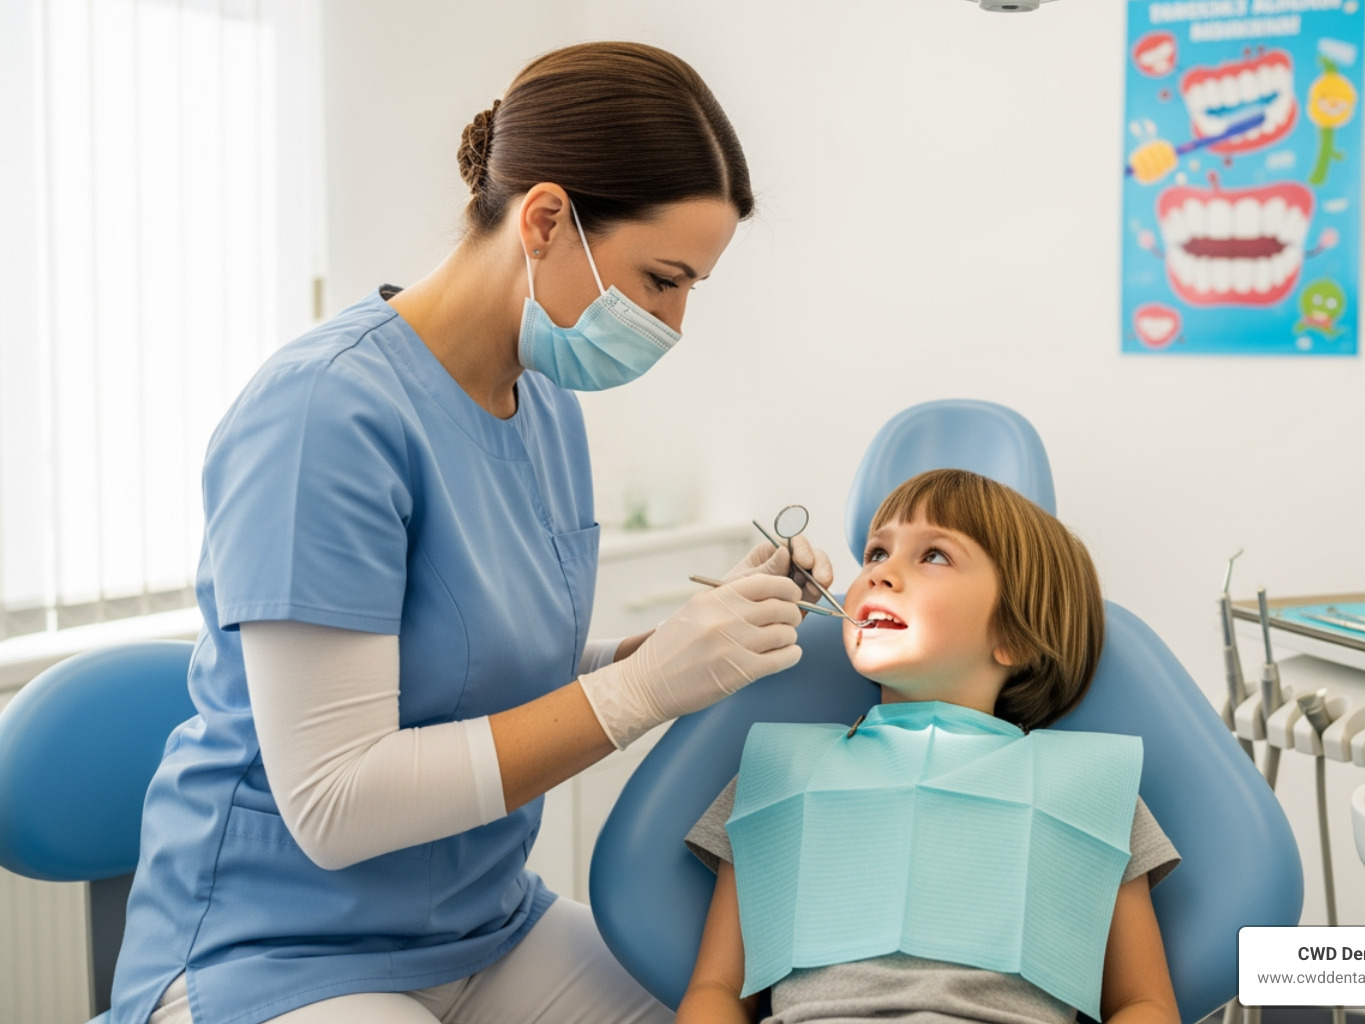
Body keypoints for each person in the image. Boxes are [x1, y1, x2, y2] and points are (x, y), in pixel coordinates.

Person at [110, 41, 834, 1024]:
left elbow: (479, 662)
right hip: (278, 945)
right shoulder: (324, 413)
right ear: (545, 219)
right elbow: (334, 802)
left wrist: (670, 651)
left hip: (484, 923)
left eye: (691, 288)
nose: (672, 321)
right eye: (662, 279)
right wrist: (638, 690)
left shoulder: (543, 407)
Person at [677, 469, 1183, 1024]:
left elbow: (1143, 1003)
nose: (879, 575)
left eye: (934, 556)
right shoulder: (780, 770)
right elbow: (718, 990)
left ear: (1013, 634)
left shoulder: (1090, 787)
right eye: (875, 553)